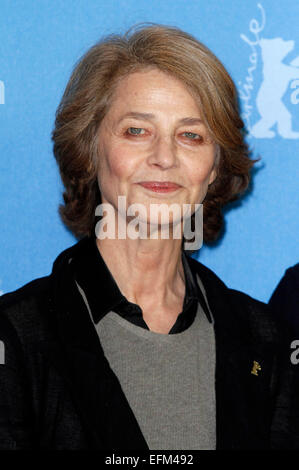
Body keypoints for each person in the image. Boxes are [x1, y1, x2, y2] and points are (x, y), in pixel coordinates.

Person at [0, 24, 293, 450]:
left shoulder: (269, 344)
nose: (164, 157)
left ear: (213, 168)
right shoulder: (16, 338)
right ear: (89, 149)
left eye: (191, 135)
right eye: (137, 130)